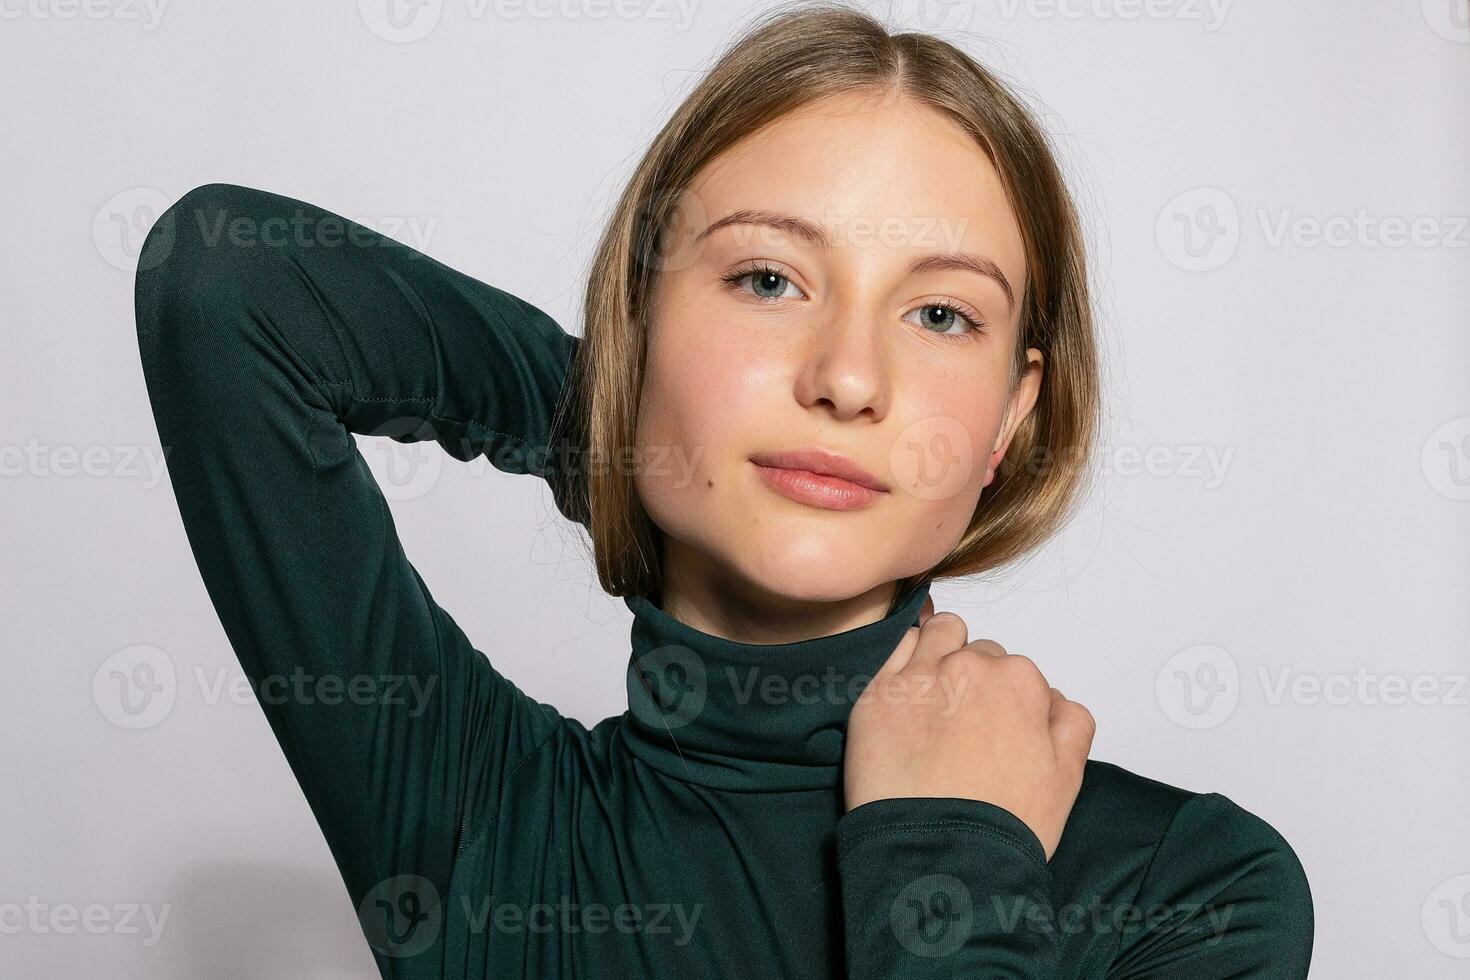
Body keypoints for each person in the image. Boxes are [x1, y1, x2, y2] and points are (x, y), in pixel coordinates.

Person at [132, 5, 1312, 977]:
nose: (849, 376)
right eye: (765, 277)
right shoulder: (490, 833)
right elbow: (230, 287)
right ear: (637, 326)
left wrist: (945, 856)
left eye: (941, 312)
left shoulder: (1195, 890)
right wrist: (626, 438)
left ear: (1011, 415)